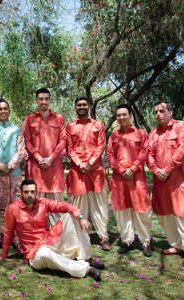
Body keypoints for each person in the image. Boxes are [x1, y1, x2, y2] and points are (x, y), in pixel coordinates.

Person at [0, 179, 103, 281]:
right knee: (44, 253)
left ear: (36, 192)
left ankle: (86, 259)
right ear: (21, 192)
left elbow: (63, 205)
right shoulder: (12, 209)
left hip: (50, 243)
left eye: (32, 192)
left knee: (71, 217)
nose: (29, 195)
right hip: (35, 254)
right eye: (26, 192)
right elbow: (8, 233)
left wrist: (81, 217)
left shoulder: (43, 203)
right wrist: (3, 254)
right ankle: (86, 269)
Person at [148, 101, 184, 267]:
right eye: (156, 111)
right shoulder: (153, 132)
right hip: (161, 182)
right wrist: (157, 171)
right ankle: (177, 245)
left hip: (180, 181)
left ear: (170, 112)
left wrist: (168, 169)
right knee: (165, 216)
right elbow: (149, 154)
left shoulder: (181, 127)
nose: (158, 114)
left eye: (162, 111)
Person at [66, 96, 111, 250]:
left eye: (84, 104)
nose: (81, 107)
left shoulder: (98, 124)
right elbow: (69, 148)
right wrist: (80, 164)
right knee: (78, 204)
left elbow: (101, 145)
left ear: (89, 106)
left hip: (95, 170)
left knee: (99, 205)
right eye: (78, 105)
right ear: (75, 107)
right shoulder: (70, 126)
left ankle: (103, 236)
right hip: (77, 171)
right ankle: (79, 235)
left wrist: (89, 163)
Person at [107, 104, 152, 256]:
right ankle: (127, 241)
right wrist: (121, 170)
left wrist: (132, 169)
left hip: (137, 178)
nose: (121, 118)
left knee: (141, 210)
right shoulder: (113, 137)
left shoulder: (141, 134)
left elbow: (144, 152)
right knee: (122, 211)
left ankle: (145, 242)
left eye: (124, 114)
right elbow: (110, 156)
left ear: (131, 116)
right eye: (118, 115)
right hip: (119, 180)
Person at [0, 98, 26, 253]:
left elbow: (21, 151)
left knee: (14, 206)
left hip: (13, 174)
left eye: (5, 109)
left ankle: (15, 238)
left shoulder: (16, 130)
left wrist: (10, 166)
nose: (3, 111)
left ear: (9, 111)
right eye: (0, 109)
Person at [22, 88, 66, 222]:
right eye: (41, 99)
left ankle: (57, 234)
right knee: (36, 202)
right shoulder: (29, 119)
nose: (44, 102)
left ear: (50, 100)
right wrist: (39, 158)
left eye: (46, 99)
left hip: (54, 169)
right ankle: (38, 233)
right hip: (37, 169)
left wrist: (51, 157)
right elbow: (26, 140)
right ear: (36, 100)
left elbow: (63, 140)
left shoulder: (59, 119)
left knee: (56, 204)